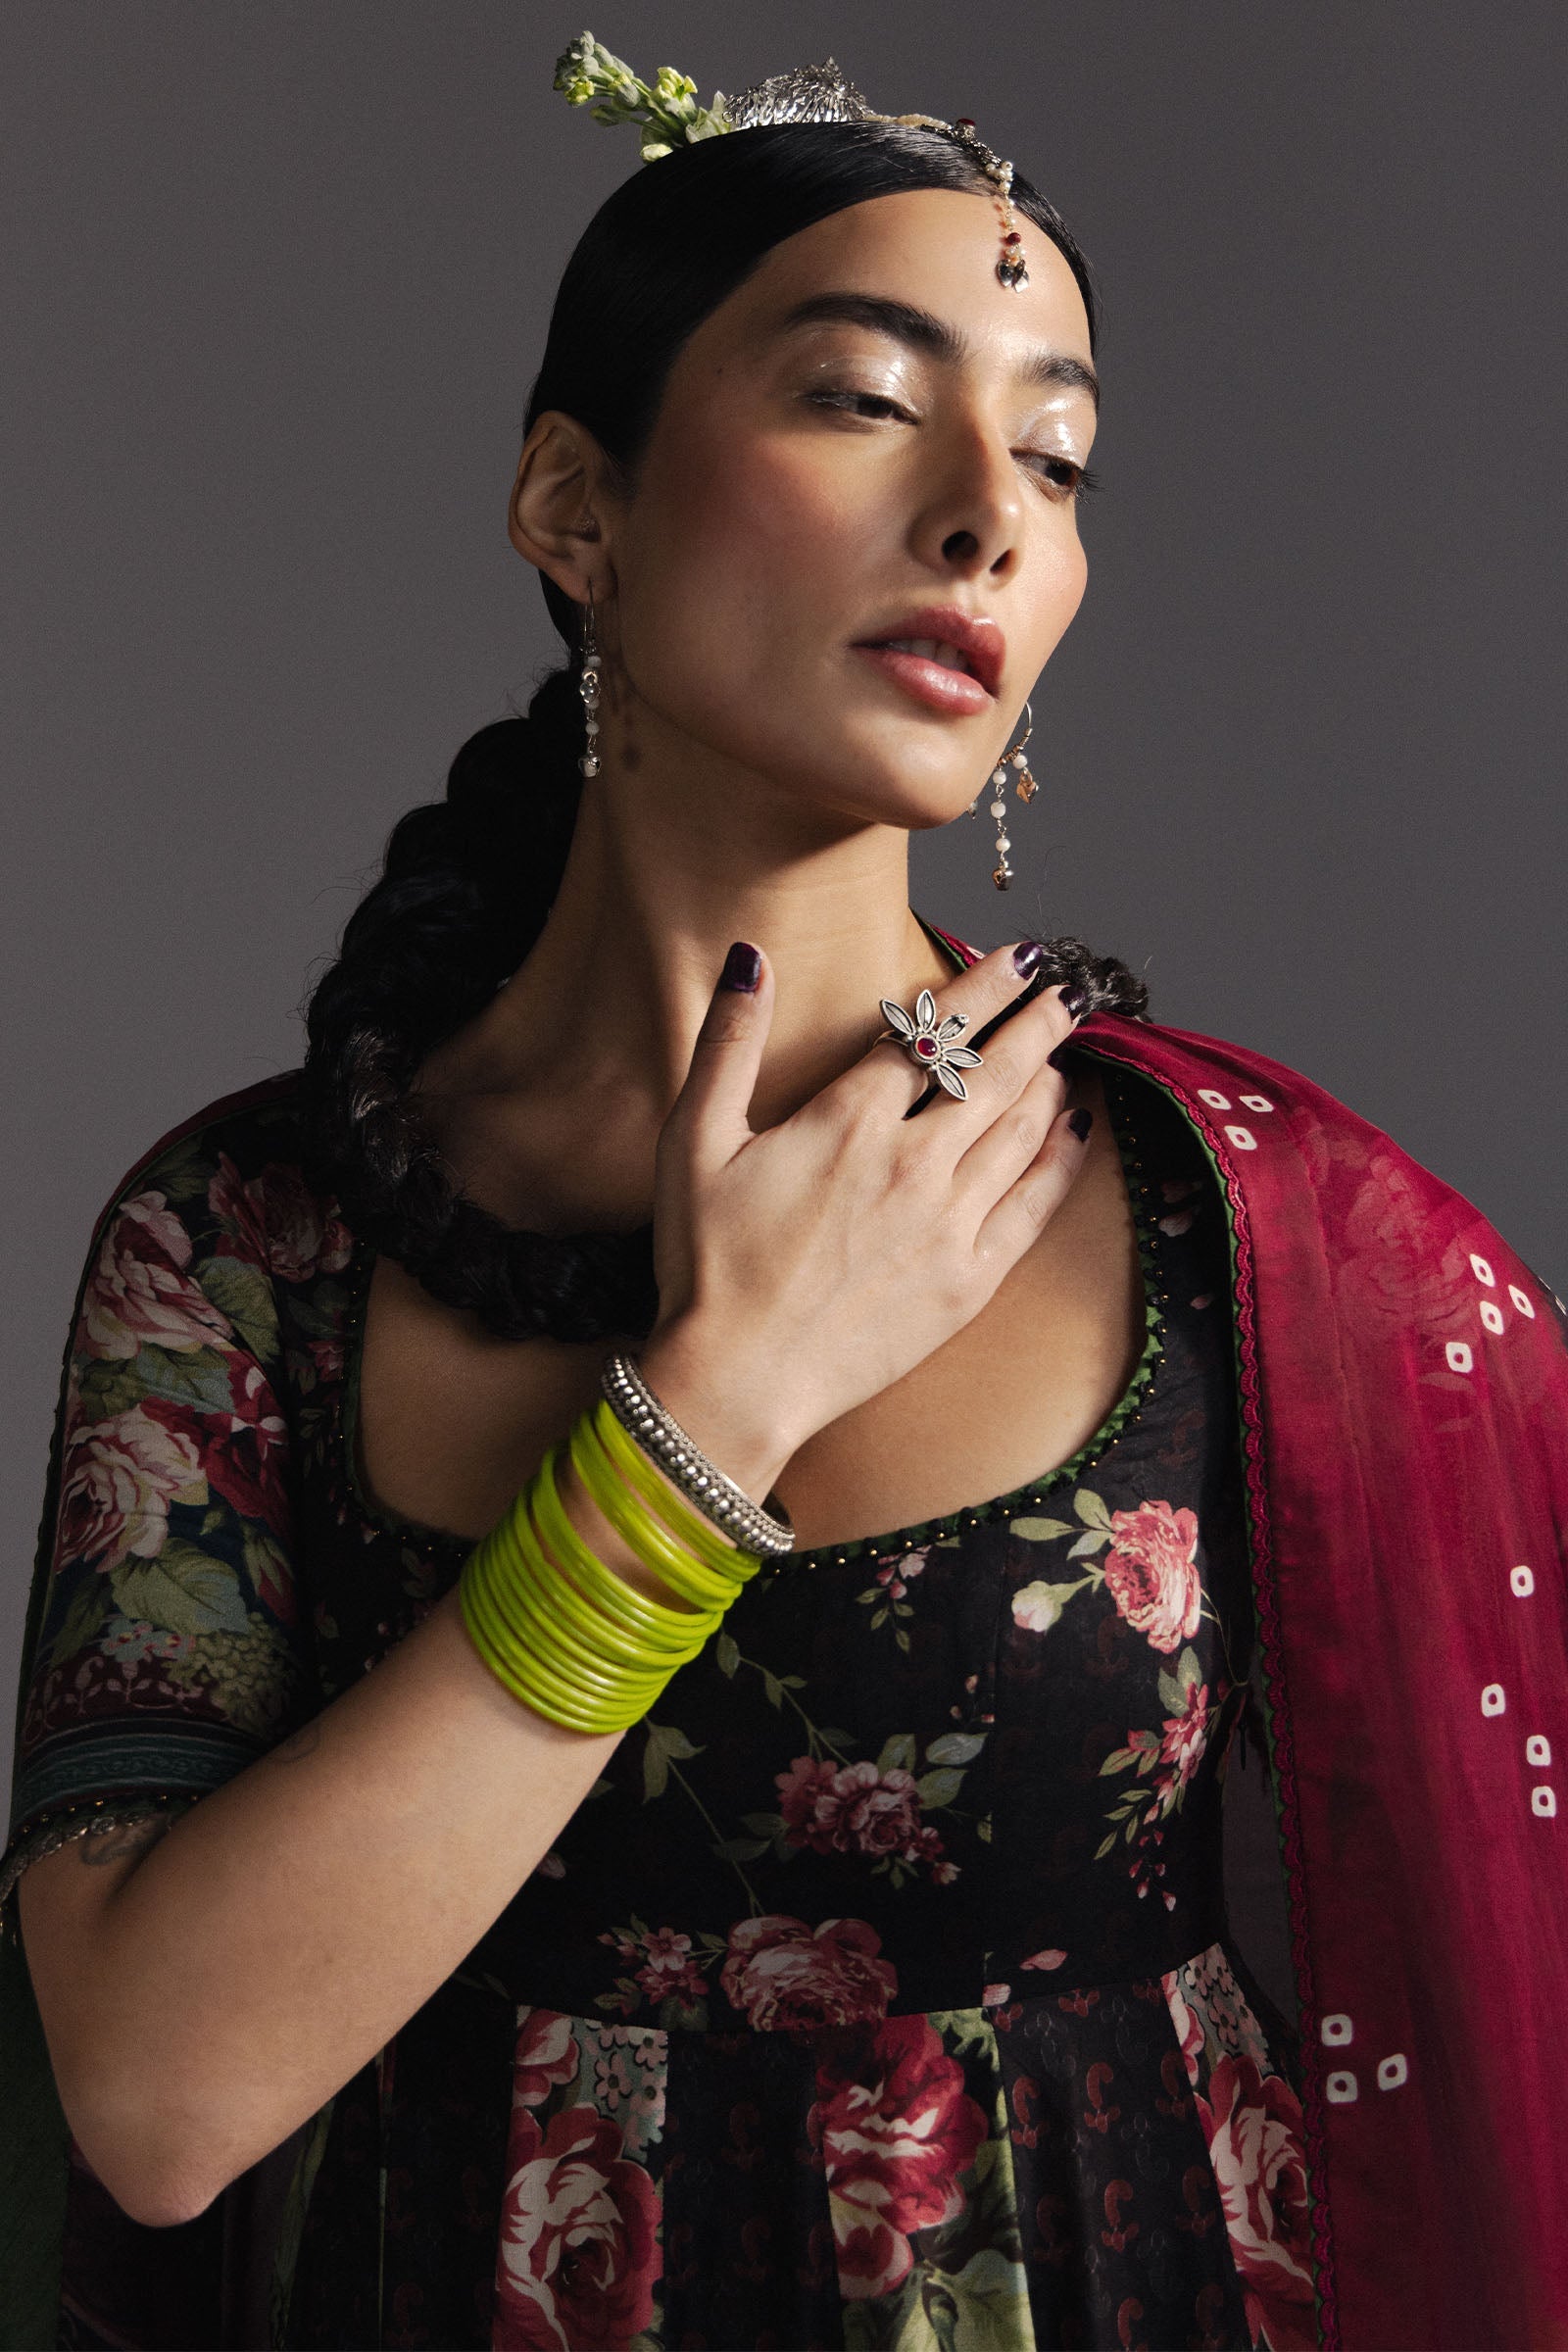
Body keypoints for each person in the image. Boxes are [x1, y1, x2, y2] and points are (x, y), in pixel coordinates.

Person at [2, 33, 1564, 2352]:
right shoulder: (250, 1246)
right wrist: (714, 1413)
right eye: (864, 398)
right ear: (574, 506)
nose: (986, 515)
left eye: (1055, 455)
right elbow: (153, 2098)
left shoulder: (1257, 1241)